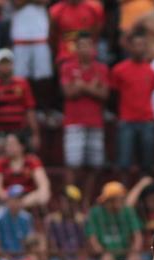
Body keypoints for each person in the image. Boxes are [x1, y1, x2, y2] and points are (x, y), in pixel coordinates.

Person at [59, 32, 107, 198]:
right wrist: (92, 87)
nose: (85, 49)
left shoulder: (101, 68)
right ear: (76, 49)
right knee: (72, 165)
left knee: (94, 166)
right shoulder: (67, 67)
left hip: (95, 122)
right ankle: (70, 204)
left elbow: (104, 94)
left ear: (94, 48)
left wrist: (82, 86)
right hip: (74, 122)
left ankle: (85, 202)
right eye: (81, 45)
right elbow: (68, 92)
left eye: (88, 45)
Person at [111, 31, 154, 175]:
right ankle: (122, 195)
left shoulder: (151, 71)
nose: (139, 48)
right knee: (124, 163)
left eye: (142, 45)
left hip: (147, 120)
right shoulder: (119, 70)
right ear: (130, 47)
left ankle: (145, 195)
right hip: (127, 120)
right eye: (136, 45)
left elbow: (153, 90)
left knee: (148, 164)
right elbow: (113, 93)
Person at [0, 48, 38, 151]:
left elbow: (30, 110)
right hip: (1, 132)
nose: (5, 67)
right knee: (0, 158)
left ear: (13, 64)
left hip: (21, 130)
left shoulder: (22, 84)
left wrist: (35, 134)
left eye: (7, 63)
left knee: (27, 157)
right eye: (1, 64)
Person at [86, 181, 143, 260]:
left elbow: (137, 235)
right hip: (106, 253)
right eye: (119, 199)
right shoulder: (95, 213)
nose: (121, 201)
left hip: (126, 252)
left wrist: (134, 252)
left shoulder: (128, 211)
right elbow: (92, 238)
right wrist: (102, 253)